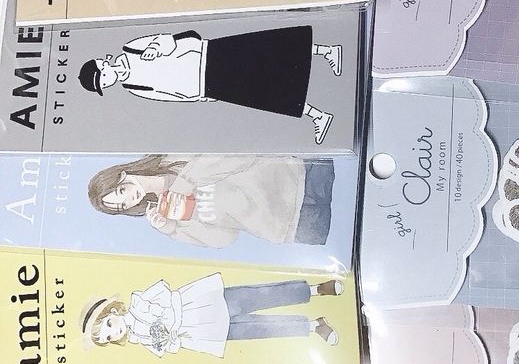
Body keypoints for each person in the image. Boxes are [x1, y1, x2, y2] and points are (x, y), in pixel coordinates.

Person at [77, 26, 341, 145]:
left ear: (103, 64)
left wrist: (156, 48)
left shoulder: (130, 49)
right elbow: (166, 96)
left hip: (205, 56)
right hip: (204, 85)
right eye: (103, 84)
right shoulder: (132, 87)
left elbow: (167, 39)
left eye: (102, 77)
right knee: (263, 93)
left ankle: (326, 50)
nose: (107, 81)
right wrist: (198, 97)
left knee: (266, 52)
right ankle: (318, 115)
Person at [87, 154, 335, 248]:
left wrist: (185, 182)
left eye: (121, 192)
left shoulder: (168, 158)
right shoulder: (165, 215)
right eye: (123, 206)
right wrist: (173, 229)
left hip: (296, 176)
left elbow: (238, 156)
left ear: (122, 175)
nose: (129, 200)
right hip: (289, 225)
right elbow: (226, 239)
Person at [81, 275, 344, 353]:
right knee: (258, 329)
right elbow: (168, 347)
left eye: (109, 325)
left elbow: (163, 290)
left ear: (113, 311)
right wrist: (169, 340)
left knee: (259, 296)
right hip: (199, 331)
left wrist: (157, 314)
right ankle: (313, 326)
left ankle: (315, 289)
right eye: (108, 337)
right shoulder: (140, 339)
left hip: (197, 306)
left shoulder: (139, 301)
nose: (114, 332)